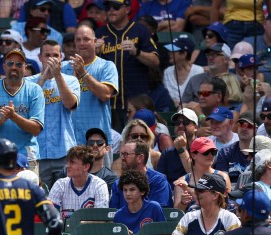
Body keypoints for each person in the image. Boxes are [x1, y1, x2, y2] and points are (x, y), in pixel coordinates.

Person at [0, 49, 45, 174]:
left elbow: (36, 130)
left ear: (25, 67)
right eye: (10, 63)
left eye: (19, 64)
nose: (14, 67)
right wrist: (1, 120)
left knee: (28, 194)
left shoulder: (35, 90)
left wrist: (13, 116)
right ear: (4, 66)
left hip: (26, 159)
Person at [95, 0, 159, 131]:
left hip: (137, 102)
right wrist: (94, 53)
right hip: (109, 104)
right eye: (108, 6)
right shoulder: (100, 32)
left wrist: (137, 52)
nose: (111, 10)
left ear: (127, 9)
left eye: (116, 6)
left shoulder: (140, 30)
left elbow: (155, 61)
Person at [27, 39, 80, 188]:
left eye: (55, 55)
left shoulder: (71, 81)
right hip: (37, 153)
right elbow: (27, 107)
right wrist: (43, 77)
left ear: (61, 57)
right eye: (47, 55)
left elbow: (70, 104)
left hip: (64, 151)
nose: (51, 59)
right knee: (40, 197)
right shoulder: (28, 82)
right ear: (40, 57)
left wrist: (57, 76)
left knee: (67, 194)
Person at [158, 173, 240, 235]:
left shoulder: (230, 219)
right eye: (196, 190)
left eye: (201, 191)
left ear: (215, 195)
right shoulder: (189, 217)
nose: (195, 193)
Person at [63, 24, 118, 147]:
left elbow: (105, 94)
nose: (82, 43)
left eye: (86, 39)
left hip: (96, 142)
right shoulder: (63, 68)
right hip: (69, 140)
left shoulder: (106, 66)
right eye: (78, 40)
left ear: (95, 42)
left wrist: (83, 73)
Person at [48, 145, 109, 220]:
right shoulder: (60, 184)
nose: (68, 166)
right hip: (65, 231)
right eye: (68, 162)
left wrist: (78, 226)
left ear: (86, 167)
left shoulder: (99, 185)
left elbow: (101, 218)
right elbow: (50, 216)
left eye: (72, 162)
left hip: (91, 231)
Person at [110, 140, 172, 209]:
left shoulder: (158, 181)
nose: (122, 158)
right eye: (121, 154)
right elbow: (113, 214)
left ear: (140, 158)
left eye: (126, 154)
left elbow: (157, 213)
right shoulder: (117, 184)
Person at [113, 169, 165, 234]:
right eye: (125, 190)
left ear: (142, 191)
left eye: (132, 190)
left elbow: (164, 234)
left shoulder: (154, 208)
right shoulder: (119, 215)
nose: (127, 193)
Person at [157, 108, 199, 186]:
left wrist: (181, 149)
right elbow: (160, 179)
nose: (180, 126)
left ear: (195, 127)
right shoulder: (167, 152)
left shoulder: (202, 149)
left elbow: (197, 176)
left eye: (186, 122)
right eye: (177, 123)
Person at [214, 112, 256, 185]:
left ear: (257, 129)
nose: (244, 128)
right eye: (241, 124)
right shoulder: (225, 152)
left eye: (249, 126)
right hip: (232, 193)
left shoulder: (262, 153)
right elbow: (222, 181)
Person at [163, 37, 204, 108]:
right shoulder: (167, 71)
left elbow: (200, 98)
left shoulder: (198, 71)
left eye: (173, 51)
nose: (169, 53)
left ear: (184, 54)